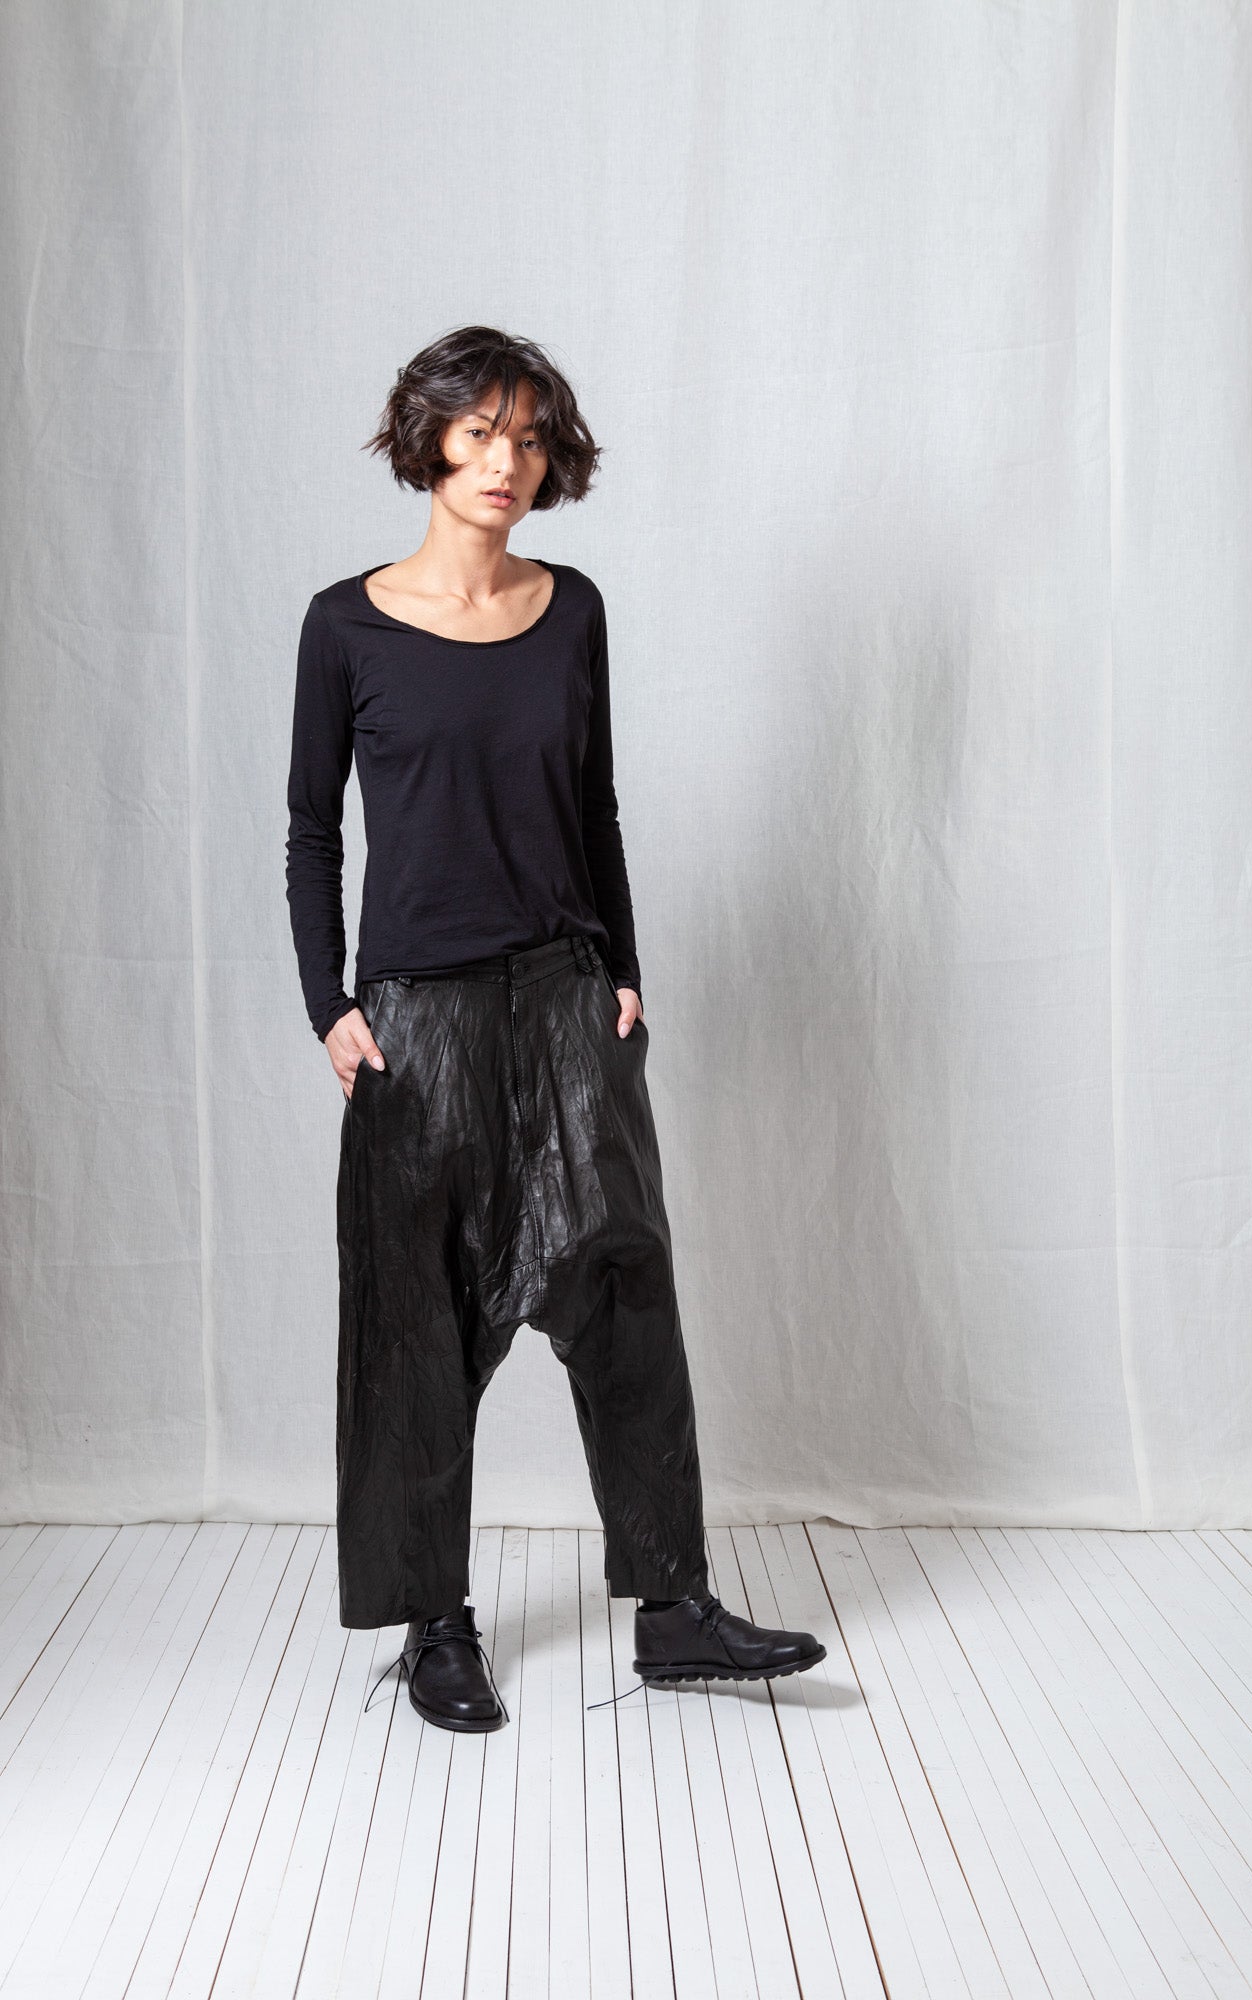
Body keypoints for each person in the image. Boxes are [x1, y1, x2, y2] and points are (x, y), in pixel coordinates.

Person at [284, 324, 825, 1731]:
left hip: (567, 994)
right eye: (479, 431)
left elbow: (595, 807)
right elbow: (309, 833)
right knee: (419, 1322)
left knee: (626, 1294)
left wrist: (621, 972)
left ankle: (675, 1611)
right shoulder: (345, 625)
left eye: (527, 437)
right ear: (428, 438)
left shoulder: (571, 610)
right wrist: (329, 1005)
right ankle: (435, 1623)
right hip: (419, 1017)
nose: (503, 461)